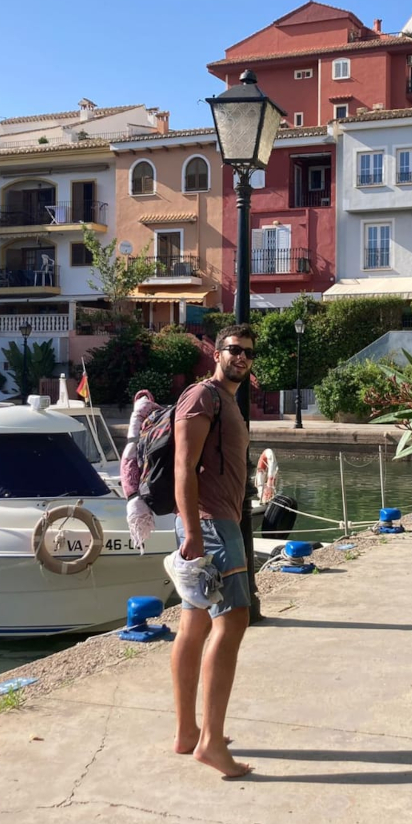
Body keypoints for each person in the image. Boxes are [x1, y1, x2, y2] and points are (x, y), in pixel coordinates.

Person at [168, 323, 256, 778]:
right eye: (234, 350)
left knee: (195, 622)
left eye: (248, 353)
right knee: (233, 620)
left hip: (213, 524)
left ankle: (188, 733)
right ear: (216, 353)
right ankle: (211, 743)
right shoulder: (202, 398)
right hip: (212, 525)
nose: (241, 358)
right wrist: (193, 533)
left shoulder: (227, 401)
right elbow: (184, 467)